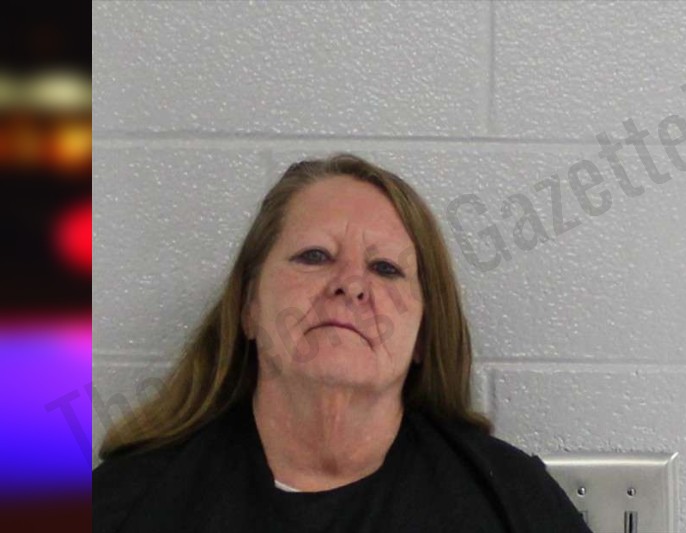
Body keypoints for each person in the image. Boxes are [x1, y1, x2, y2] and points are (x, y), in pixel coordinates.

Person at [92, 153, 592, 533]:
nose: (351, 284)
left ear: (424, 335)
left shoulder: (513, 503)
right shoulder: (126, 504)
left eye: (385, 269)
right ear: (248, 307)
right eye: (314, 256)